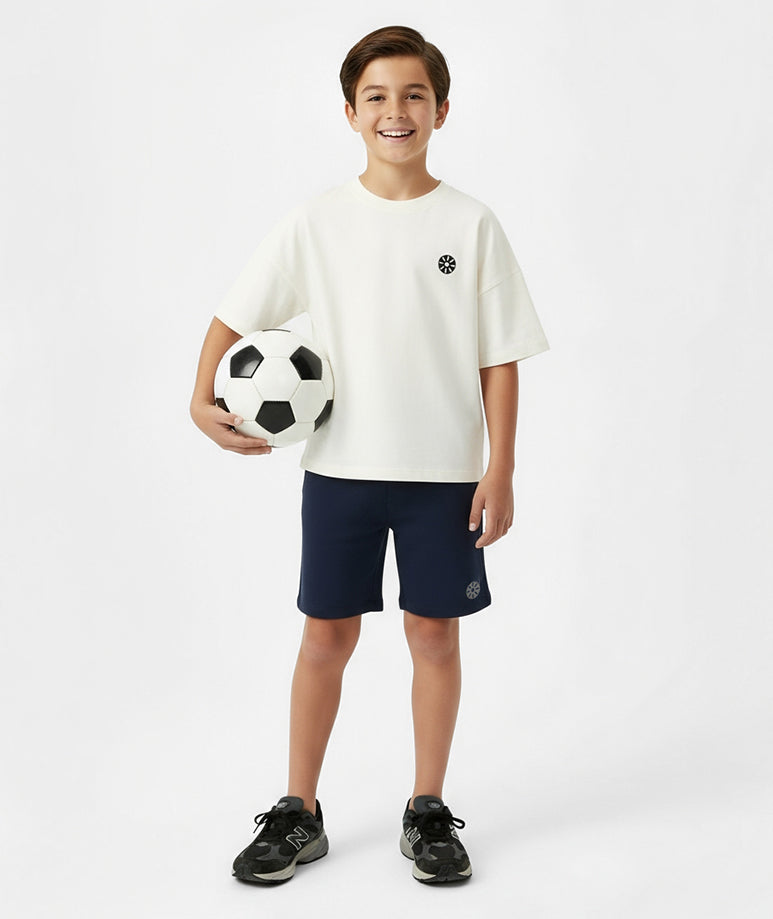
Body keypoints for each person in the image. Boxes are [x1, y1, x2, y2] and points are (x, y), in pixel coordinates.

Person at [189, 24, 550, 886]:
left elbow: (496, 356)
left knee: (434, 635)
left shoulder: (470, 222)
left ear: (442, 109)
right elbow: (234, 313)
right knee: (325, 637)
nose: (397, 110)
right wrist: (199, 398)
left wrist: (498, 467)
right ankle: (297, 810)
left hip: (444, 478)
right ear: (350, 113)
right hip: (340, 472)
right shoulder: (317, 222)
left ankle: (426, 808)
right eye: (378, 97)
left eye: (414, 94)